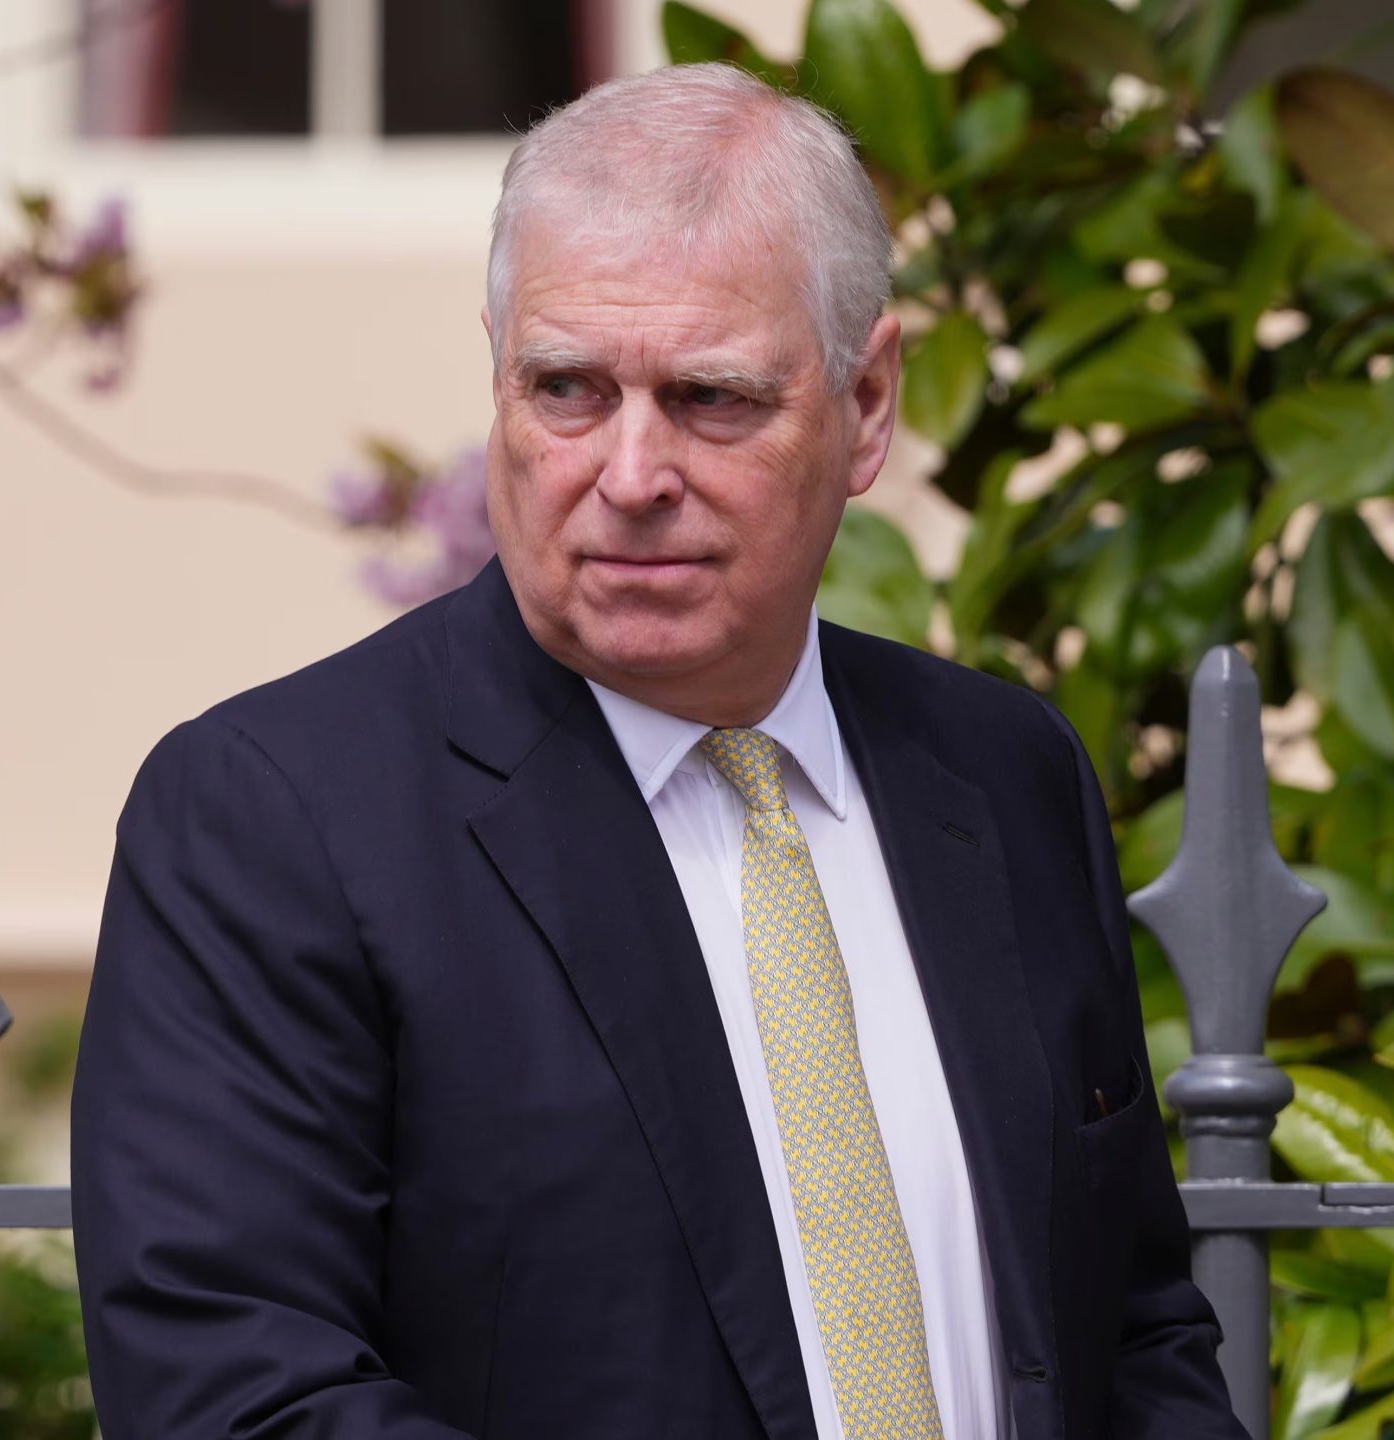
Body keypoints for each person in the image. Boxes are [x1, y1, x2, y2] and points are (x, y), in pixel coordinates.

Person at [71, 61, 1243, 1440]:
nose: (629, 477)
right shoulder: (276, 818)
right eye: (567, 389)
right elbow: (238, 1399)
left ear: (867, 409)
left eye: (710, 399)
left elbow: (1131, 1332)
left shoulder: (1000, 774)